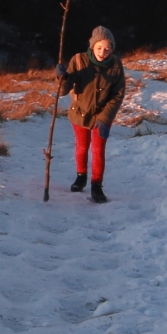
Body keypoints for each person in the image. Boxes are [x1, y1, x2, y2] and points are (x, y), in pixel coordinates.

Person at [55, 25, 125, 204]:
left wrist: (104, 119)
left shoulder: (116, 65)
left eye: (107, 49)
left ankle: (96, 185)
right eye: (99, 48)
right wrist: (62, 78)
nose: (103, 52)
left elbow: (117, 95)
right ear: (92, 46)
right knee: (82, 146)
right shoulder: (79, 60)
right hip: (80, 113)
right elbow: (63, 91)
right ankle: (81, 176)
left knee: (98, 149)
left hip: (102, 116)